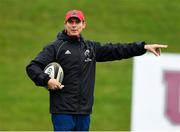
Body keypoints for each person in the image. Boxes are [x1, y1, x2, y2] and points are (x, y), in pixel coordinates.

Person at [26, 9, 168, 131]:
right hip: (62, 111)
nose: (74, 25)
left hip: (84, 111)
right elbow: (32, 67)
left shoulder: (91, 48)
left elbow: (117, 50)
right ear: (66, 24)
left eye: (77, 22)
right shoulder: (55, 47)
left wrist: (143, 47)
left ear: (84, 25)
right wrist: (47, 80)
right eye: (71, 22)